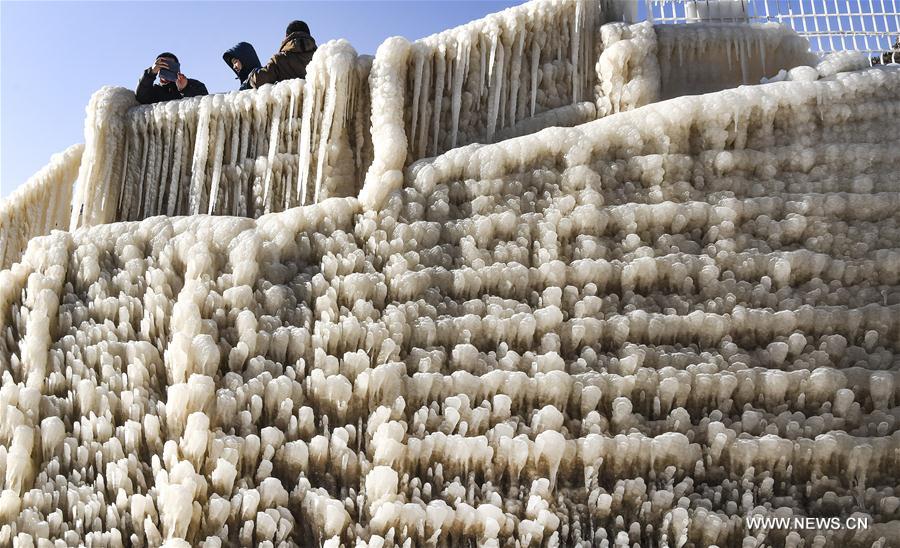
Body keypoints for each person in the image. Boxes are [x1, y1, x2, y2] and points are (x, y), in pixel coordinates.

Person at [250, 20, 317, 88]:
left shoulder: (279, 59)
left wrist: (252, 76)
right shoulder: (320, 58)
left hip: (288, 98)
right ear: (308, 35)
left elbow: (260, 80)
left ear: (287, 37)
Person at [136, 52, 208, 104]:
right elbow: (141, 98)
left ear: (177, 68)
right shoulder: (154, 91)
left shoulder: (194, 85)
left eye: (170, 65)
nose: (166, 68)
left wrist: (185, 88)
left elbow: (204, 102)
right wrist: (151, 72)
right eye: (162, 65)